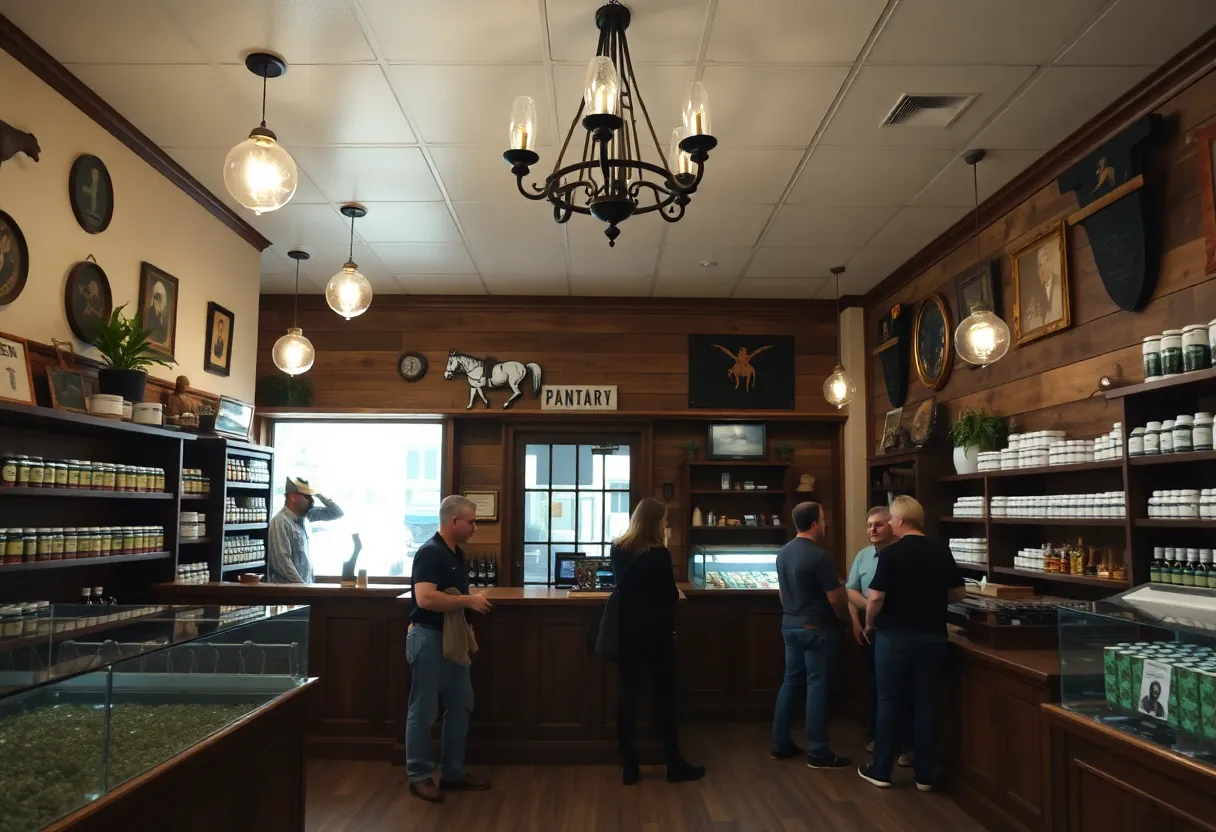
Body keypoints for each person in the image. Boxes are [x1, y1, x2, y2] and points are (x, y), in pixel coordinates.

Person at [858, 496, 966, 792]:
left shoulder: (892, 554)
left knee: (889, 702)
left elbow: (876, 597)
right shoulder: (941, 550)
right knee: (926, 704)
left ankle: (881, 771)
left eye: (891, 518)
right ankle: (924, 775)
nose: (889, 523)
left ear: (901, 521)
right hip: (933, 637)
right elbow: (958, 593)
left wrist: (869, 623)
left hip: (895, 639)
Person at [610, 498, 705, 785]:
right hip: (657, 634)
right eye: (664, 519)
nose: (666, 524)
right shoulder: (659, 554)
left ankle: (629, 766)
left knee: (627, 695)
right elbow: (669, 596)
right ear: (656, 522)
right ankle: (674, 764)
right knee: (664, 698)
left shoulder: (618, 548)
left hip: (626, 632)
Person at [405, 495, 494, 802]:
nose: (475, 527)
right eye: (471, 521)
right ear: (454, 522)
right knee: (424, 710)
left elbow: (451, 600)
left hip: (453, 641)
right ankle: (419, 775)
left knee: (461, 704)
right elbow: (425, 599)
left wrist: (467, 630)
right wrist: (469, 601)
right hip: (429, 638)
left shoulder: (456, 554)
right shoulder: (430, 553)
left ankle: (452, 773)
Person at [771, 501, 851, 769]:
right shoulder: (819, 556)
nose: (825, 524)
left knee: (790, 682)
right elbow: (834, 599)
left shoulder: (782, 553)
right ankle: (818, 751)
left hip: (789, 625)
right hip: (816, 627)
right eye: (824, 518)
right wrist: (845, 620)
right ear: (815, 523)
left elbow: (782, 593)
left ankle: (779, 743)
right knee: (817, 686)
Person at [845, 507, 896, 752]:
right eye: (868, 525)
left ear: (893, 524)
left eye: (878, 525)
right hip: (869, 629)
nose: (872, 530)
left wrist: (874, 611)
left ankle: (895, 741)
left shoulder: (899, 555)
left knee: (894, 688)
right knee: (873, 684)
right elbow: (851, 590)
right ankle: (875, 734)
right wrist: (860, 617)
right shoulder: (863, 556)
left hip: (894, 628)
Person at [266, 476, 344, 584]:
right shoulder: (280, 522)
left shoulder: (306, 517)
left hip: (303, 591)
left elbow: (337, 512)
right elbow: (283, 563)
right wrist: (303, 588)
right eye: (307, 496)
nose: (312, 501)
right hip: (288, 594)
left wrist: (318, 494)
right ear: (294, 497)